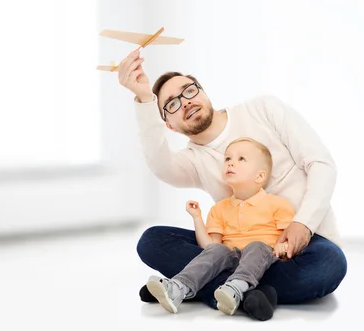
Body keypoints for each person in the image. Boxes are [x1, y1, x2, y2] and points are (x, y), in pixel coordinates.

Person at [117, 49, 347, 321]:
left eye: (189, 91)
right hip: (235, 251)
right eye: (172, 104)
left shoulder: (263, 109)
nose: (185, 103)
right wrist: (145, 99)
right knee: (152, 241)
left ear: (202, 91)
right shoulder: (192, 161)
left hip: (301, 243)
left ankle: (194, 286)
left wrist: (304, 223)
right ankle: (246, 293)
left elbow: (321, 164)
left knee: (329, 265)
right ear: (169, 125)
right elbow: (160, 164)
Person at [146, 137, 295, 319]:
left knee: (257, 246)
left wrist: (283, 246)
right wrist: (197, 218)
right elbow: (210, 247)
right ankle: (178, 288)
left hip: (265, 258)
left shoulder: (277, 204)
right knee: (219, 250)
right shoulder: (220, 208)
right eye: (227, 159)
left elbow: (290, 237)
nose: (231, 163)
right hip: (232, 259)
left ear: (260, 176)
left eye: (241, 159)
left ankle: (235, 288)